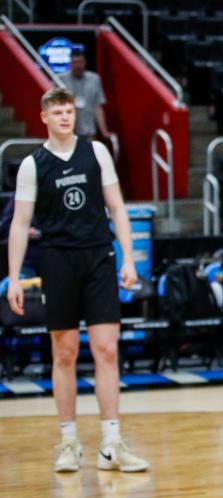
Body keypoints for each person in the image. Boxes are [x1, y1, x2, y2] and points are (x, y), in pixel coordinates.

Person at [6, 87, 148, 473]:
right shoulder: (33, 165)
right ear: (44, 118)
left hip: (99, 257)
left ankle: (111, 443)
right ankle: (68, 441)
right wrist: (14, 277)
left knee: (106, 348)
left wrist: (129, 259)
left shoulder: (96, 152)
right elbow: (20, 225)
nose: (65, 117)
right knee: (64, 351)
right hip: (58, 261)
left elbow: (117, 208)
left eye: (70, 111)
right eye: (58, 112)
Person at [57, 47, 111, 142]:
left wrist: (104, 131)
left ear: (85, 62)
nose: (78, 65)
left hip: (89, 132)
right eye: (75, 62)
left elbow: (98, 107)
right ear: (70, 64)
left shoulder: (94, 79)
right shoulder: (60, 80)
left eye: (80, 62)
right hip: (68, 133)